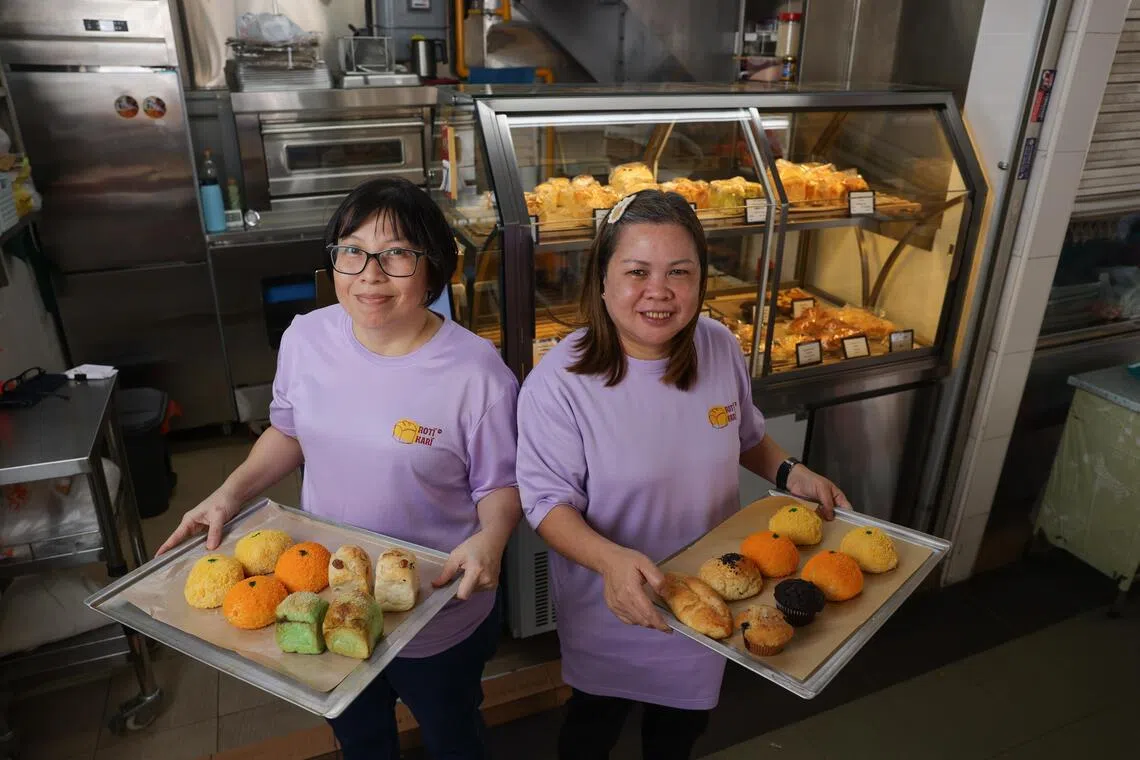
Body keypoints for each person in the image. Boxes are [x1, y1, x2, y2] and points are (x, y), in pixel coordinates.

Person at [158, 177, 521, 760]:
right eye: (352, 251)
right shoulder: (306, 337)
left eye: (397, 253)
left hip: (436, 606)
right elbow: (289, 431)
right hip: (329, 587)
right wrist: (229, 494)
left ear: (434, 267)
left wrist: (493, 540)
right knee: (358, 735)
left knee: (452, 733)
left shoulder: (477, 373)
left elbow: (499, 484)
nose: (369, 274)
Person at [516, 190, 850, 760]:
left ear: (700, 281)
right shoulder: (559, 382)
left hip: (712, 595)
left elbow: (745, 436)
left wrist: (791, 471)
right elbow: (548, 506)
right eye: (637, 271)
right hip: (615, 604)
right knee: (591, 726)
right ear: (602, 279)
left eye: (680, 272)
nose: (659, 292)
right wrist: (611, 562)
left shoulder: (718, 346)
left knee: (678, 734)